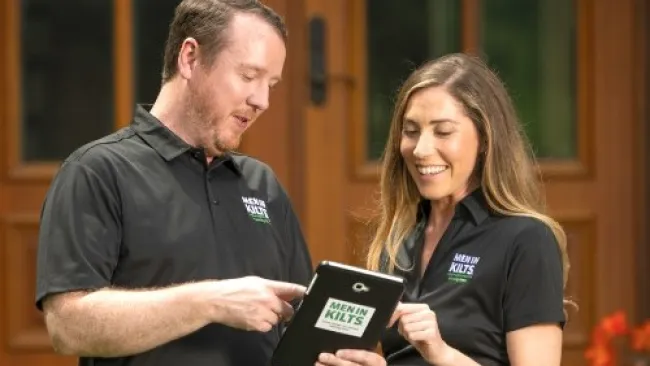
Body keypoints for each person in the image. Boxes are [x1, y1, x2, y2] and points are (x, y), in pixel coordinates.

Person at [34, 1, 313, 365]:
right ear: (190, 58)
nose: (261, 100)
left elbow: (301, 324)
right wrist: (210, 302)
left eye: (270, 84)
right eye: (248, 76)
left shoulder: (263, 184)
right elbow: (68, 326)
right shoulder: (98, 171)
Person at [316, 53, 570, 366]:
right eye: (410, 131)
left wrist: (441, 353)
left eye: (443, 131)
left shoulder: (527, 240)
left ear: (486, 138)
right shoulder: (398, 241)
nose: (421, 149)